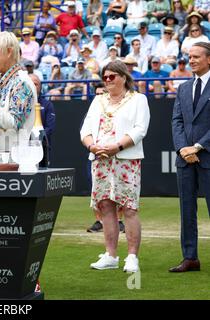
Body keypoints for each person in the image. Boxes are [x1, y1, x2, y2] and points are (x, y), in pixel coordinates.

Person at [80, 60, 150, 273]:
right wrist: (92, 146)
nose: (108, 80)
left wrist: (117, 147)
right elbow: (85, 130)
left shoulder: (139, 100)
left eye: (112, 76)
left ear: (124, 77)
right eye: (105, 77)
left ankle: (131, 257)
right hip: (100, 159)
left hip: (126, 159)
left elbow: (140, 130)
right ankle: (110, 255)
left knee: (129, 207)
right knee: (105, 206)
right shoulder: (98, 101)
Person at [170, 42, 210, 273]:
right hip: (184, 159)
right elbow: (177, 121)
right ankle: (190, 258)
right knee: (187, 210)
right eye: (189, 56)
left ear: (208, 59)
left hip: (206, 156)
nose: (191, 60)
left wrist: (197, 147)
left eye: (196, 56)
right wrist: (183, 149)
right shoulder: (183, 88)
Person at [29, 73, 56, 147]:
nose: (33, 86)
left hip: (42, 146)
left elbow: (50, 128)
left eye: (35, 84)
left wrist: (35, 138)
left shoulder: (47, 105)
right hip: (23, 146)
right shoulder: (19, 104)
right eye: (30, 83)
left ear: (40, 87)